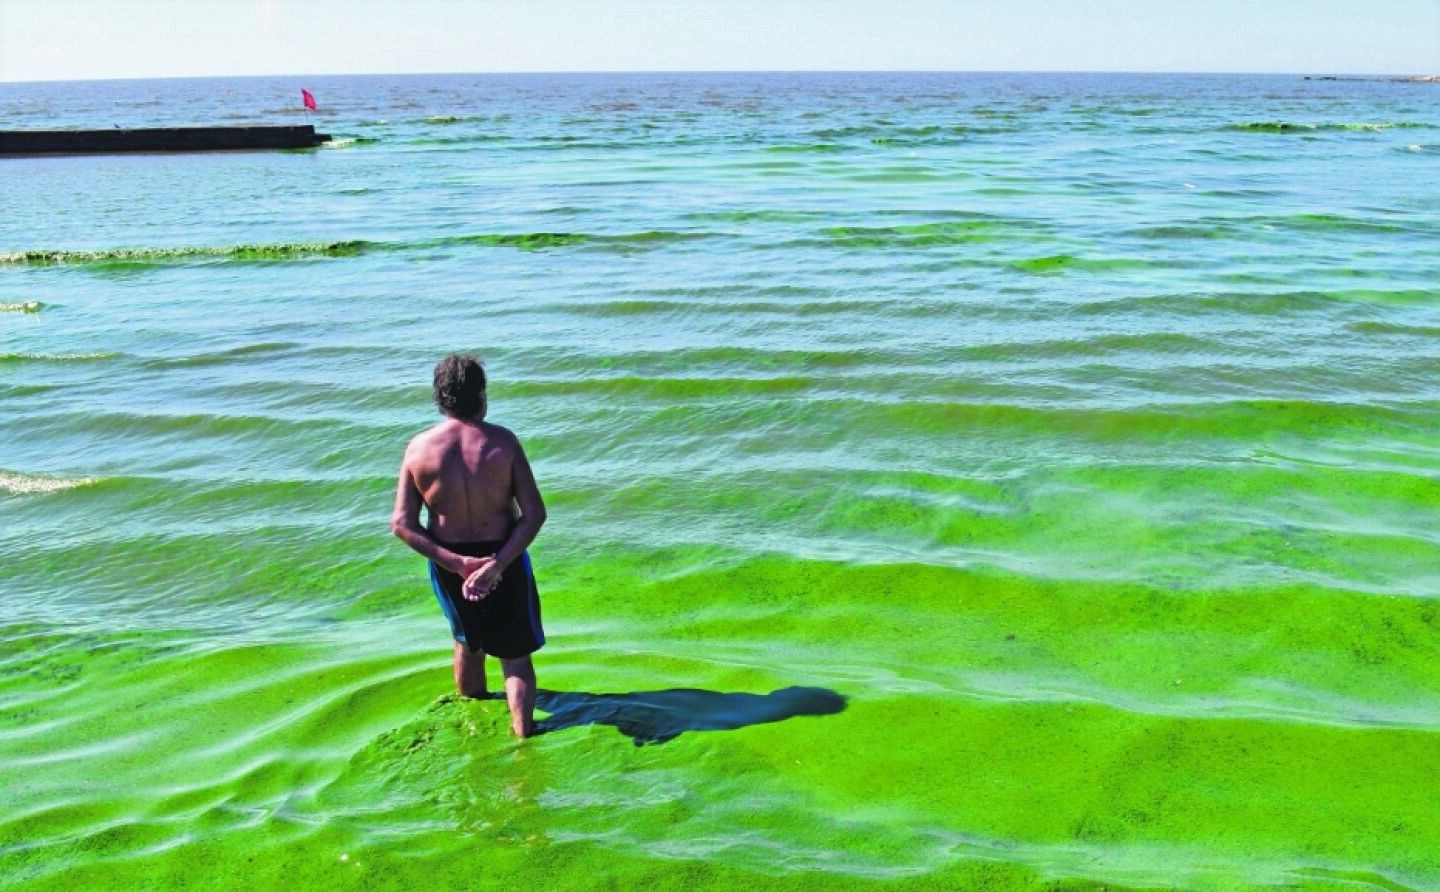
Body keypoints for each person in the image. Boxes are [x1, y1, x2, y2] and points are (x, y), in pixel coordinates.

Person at [391, 354, 547, 737]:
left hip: (449, 561)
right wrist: (497, 563)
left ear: (440, 398)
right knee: (515, 656)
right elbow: (534, 514)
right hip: (504, 556)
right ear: (482, 394)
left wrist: (457, 563)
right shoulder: (503, 443)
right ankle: (524, 735)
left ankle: (475, 725)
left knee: (466, 643)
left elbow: (402, 524)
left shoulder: (419, 449)